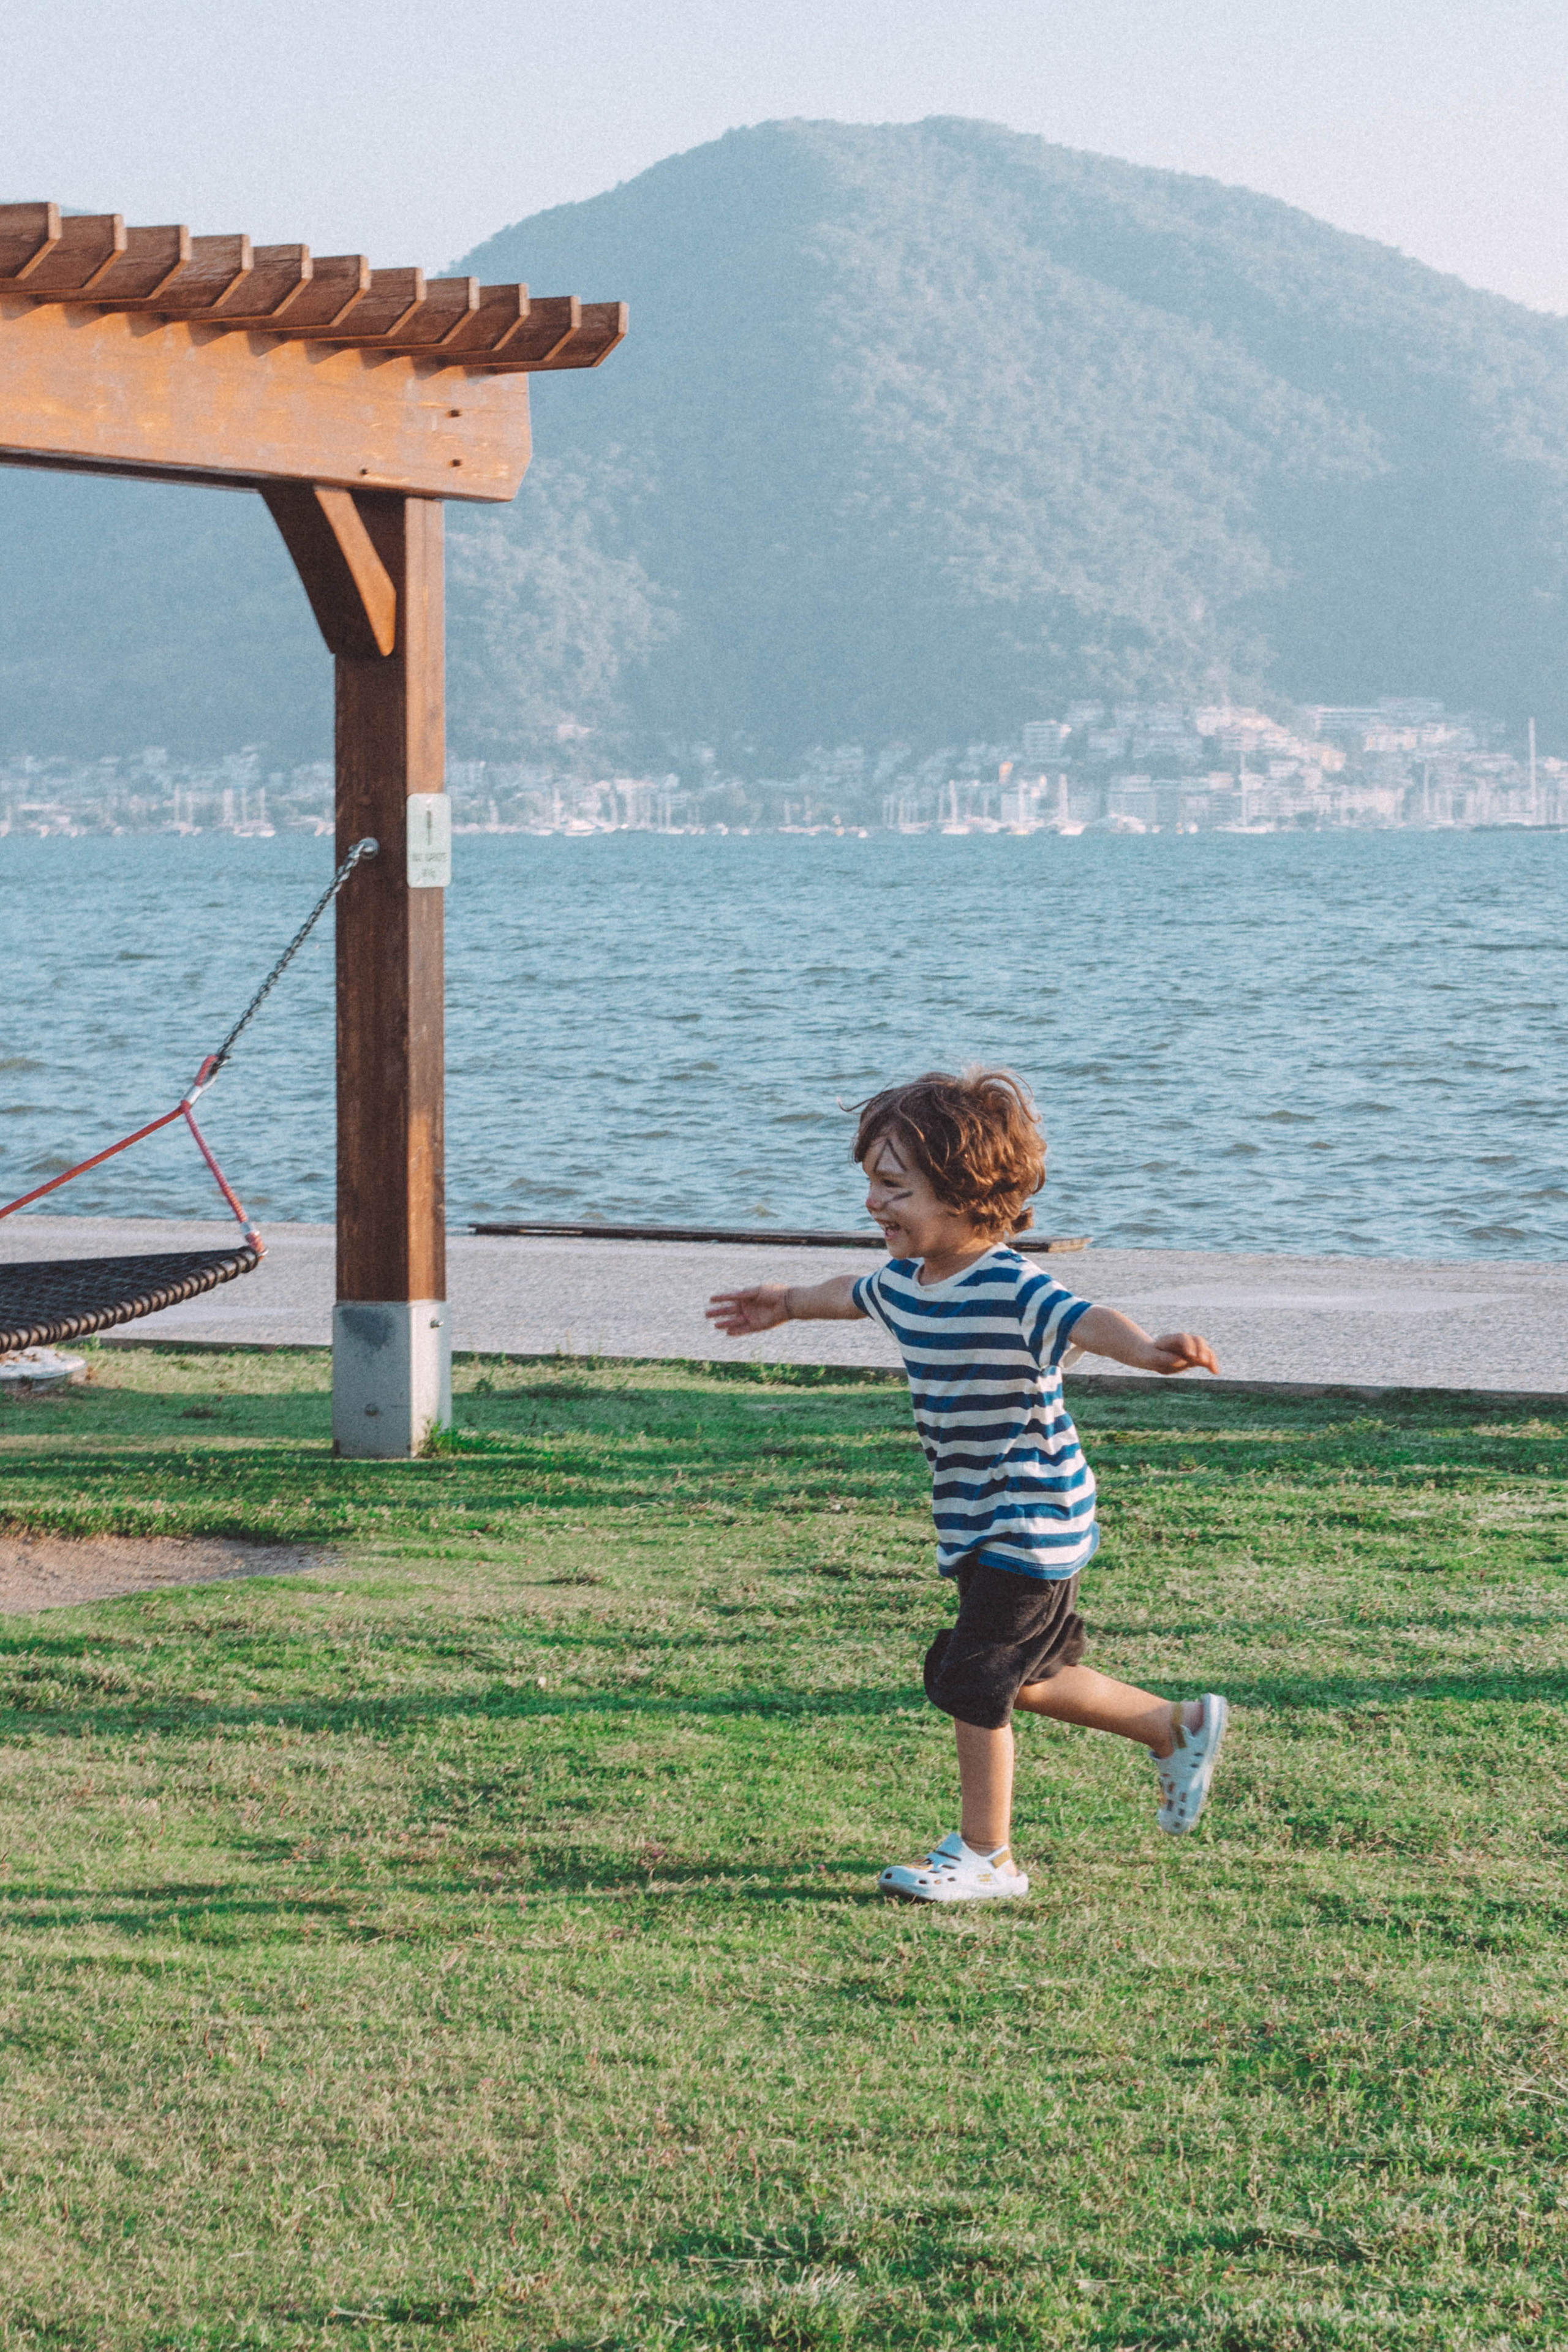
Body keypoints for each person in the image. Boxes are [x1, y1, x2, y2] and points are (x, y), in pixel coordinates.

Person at [706, 1067, 1229, 1904]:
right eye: (870, 1184)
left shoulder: (1010, 1283)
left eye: (893, 1186)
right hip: (980, 1521)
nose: (873, 1203)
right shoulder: (908, 1286)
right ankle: (1173, 1726)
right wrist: (787, 1303)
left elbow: (1086, 1319)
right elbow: (850, 1294)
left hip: (1030, 1518)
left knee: (975, 1678)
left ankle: (989, 1856)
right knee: (1026, 1674)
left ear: (962, 1193)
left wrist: (1152, 1351)